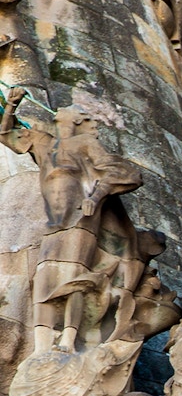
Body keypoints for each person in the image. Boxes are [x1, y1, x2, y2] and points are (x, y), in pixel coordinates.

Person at [1, 88, 142, 352]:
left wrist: (96, 196)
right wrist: (11, 105)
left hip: (81, 216)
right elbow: (6, 134)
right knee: (44, 278)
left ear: (75, 120)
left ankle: (68, 338)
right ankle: (42, 347)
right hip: (53, 220)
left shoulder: (86, 144)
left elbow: (124, 173)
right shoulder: (43, 142)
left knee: (73, 277)